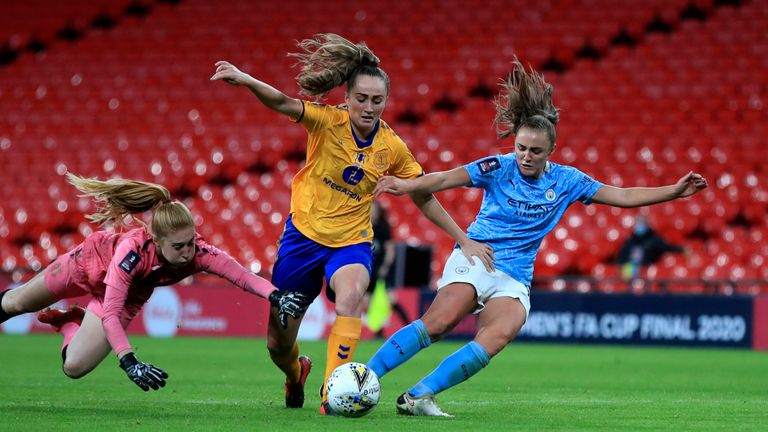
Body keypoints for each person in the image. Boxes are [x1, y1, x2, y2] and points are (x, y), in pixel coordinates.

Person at [366, 57, 708, 417]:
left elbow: (621, 196)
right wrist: (405, 185)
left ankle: (420, 396)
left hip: (515, 275)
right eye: (521, 148)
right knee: (439, 323)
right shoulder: (497, 167)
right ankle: (364, 378)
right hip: (478, 255)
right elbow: (442, 179)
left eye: (535, 151)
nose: (526, 157)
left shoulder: (566, 181)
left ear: (551, 152)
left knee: (498, 335)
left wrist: (674, 191)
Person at [210, 33, 493, 413]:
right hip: (302, 240)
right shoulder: (327, 122)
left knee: (351, 296)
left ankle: (333, 394)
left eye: (377, 100)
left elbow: (422, 193)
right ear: (347, 98)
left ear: (386, 102)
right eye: (361, 98)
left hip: (351, 242)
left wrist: (463, 237)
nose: (369, 107)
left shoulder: (391, 146)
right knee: (278, 345)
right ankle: (297, 374)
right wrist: (247, 80)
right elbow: (282, 102)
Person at [0, 173, 309, 392]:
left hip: (124, 296)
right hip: (84, 265)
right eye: (179, 247)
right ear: (157, 240)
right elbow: (110, 315)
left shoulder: (197, 251)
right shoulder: (131, 252)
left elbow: (240, 275)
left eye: (190, 242)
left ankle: (71, 322)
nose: (188, 252)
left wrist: (276, 296)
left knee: (74, 368)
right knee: (15, 303)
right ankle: (66, 315)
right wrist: (129, 361)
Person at [364, 201, 411, 337]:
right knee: (366, 303)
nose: (372, 213)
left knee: (391, 299)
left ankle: (409, 327)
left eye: (374, 210)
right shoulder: (363, 227)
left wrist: (386, 266)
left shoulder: (382, 227)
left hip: (382, 269)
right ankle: (379, 332)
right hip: (368, 269)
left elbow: (390, 250)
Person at [616, 214, 685, 279]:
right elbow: (621, 258)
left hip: (648, 274)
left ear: (647, 225)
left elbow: (667, 248)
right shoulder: (631, 240)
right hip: (631, 274)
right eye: (638, 223)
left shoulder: (654, 239)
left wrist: (681, 250)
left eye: (642, 223)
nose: (639, 226)